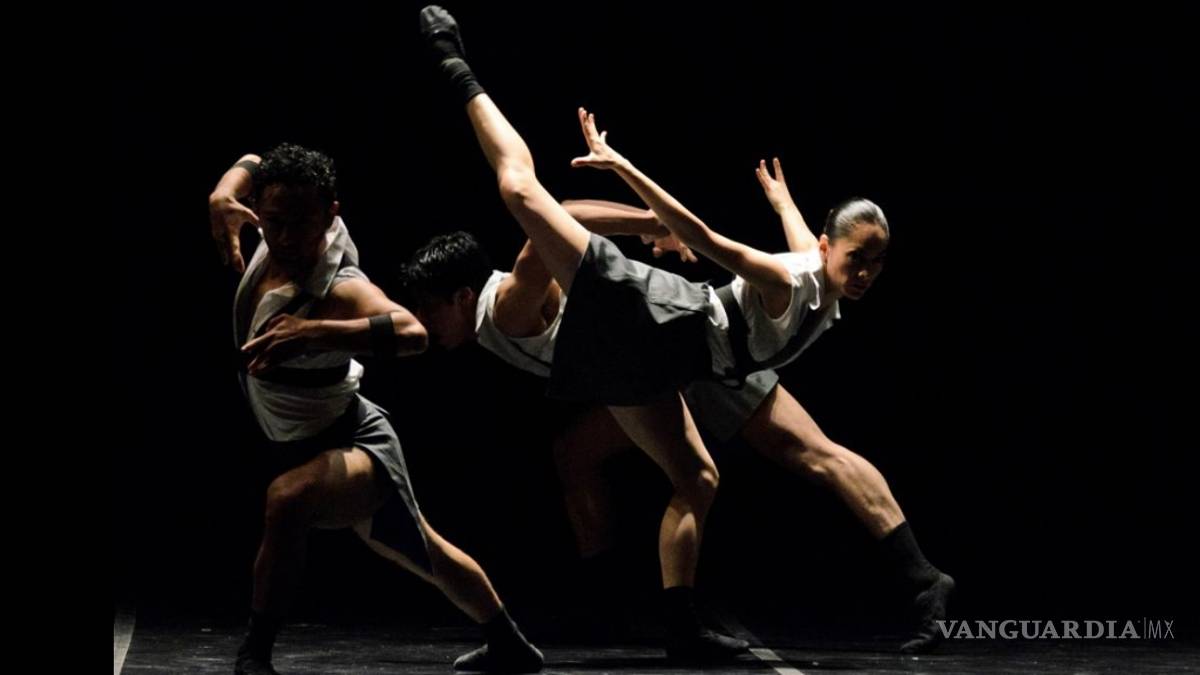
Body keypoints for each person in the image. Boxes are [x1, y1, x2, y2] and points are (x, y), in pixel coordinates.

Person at [208, 142, 543, 674]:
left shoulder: (340, 286)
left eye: (302, 223)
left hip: (353, 441)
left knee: (287, 499)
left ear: (330, 215)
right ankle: (509, 643)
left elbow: (413, 333)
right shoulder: (272, 230)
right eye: (274, 222)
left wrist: (313, 332)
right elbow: (251, 159)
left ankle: (255, 655)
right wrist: (223, 193)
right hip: (295, 436)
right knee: (423, 548)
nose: (287, 237)